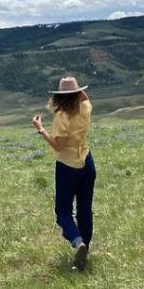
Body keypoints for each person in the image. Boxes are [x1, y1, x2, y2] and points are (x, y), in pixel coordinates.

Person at [32, 75, 96, 271]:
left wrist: (41, 129)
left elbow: (58, 146)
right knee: (84, 209)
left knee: (63, 212)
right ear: (77, 92)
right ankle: (85, 250)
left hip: (68, 166)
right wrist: (77, 89)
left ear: (60, 96)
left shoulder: (62, 116)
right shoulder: (85, 108)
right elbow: (85, 97)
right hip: (87, 162)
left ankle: (78, 243)